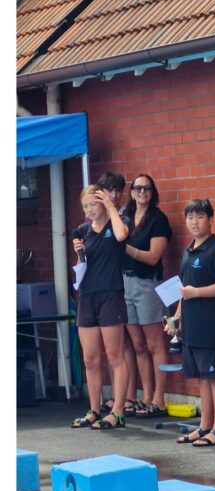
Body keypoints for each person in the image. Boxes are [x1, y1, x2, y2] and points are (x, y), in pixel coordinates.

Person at [167, 198, 215, 447]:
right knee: (203, 377)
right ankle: (205, 426)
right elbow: (183, 290)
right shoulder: (188, 251)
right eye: (190, 217)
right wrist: (176, 317)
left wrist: (196, 293)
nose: (194, 222)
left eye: (200, 217)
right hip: (192, 326)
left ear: (211, 220)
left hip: (211, 325)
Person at [71, 184, 129, 430]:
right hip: (87, 296)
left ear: (102, 202)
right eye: (85, 206)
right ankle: (94, 409)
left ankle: (117, 411)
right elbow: (81, 266)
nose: (89, 210)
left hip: (110, 294)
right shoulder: (82, 231)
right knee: (90, 359)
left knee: (115, 356)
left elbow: (121, 236)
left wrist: (110, 206)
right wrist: (79, 253)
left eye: (93, 204)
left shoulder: (117, 223)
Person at [123, 174, 172, 417]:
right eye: (138, 188)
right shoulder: (125, 217)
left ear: (153, 193)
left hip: (147, 284)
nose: (142, 192)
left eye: (147, 188)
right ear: (132, 192)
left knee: (155, 344)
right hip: (125, 282)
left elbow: (153, 257)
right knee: (138, 345)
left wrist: (126, 249)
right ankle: (146, 396)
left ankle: (159, 399)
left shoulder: (158, 220)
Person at [97, 171, 140, 417]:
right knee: (114, 346)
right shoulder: (94, 216)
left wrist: (110, 208)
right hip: (103, 285)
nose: (114, 195)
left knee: (128, 342)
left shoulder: (123, 215)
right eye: (109, 190)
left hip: (124, 280)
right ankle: (117, 395)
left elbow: (121, 235)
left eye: (117, 191)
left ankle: (129, 397)